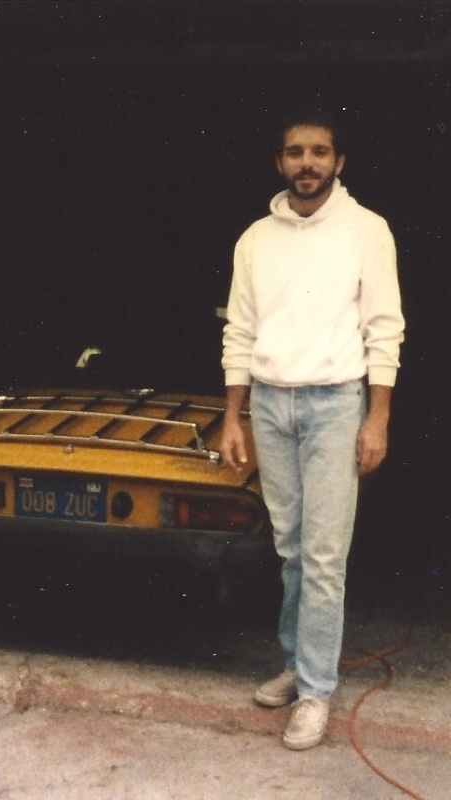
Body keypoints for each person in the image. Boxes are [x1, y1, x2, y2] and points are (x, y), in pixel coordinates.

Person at [220, 107, 404, 750]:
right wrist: (232, 416)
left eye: (320, 152)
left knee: (325, 555)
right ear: (280, 162)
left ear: (339, 161)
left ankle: (317, 691)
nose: (308, 163)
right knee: (291, 547)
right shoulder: (255, 239)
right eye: (296, 152)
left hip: (334, 406)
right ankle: (299, 666)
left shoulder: (367, 230)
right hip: (270, 405)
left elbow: (385, 329)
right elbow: (238, 330)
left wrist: (376, 416)